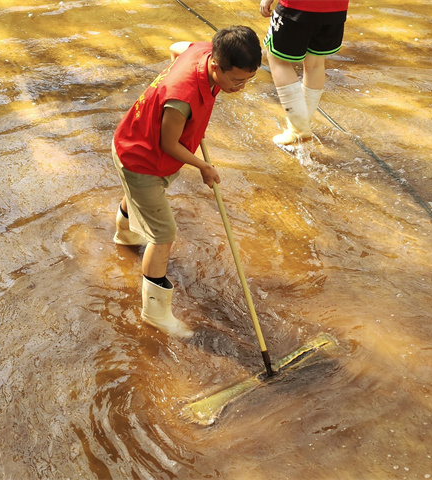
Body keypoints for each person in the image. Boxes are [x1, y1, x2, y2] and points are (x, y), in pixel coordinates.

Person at [112, 26, 262, 338]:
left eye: (248, 79)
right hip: (141, 159)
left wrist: (196, 121)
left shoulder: (204, 50)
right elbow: (169, 143)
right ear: (216, 66)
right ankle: (155, 312)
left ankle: (124, 239)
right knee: (164, 233)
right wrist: (203, 166)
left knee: (141, 200)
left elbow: (176, 49)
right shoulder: (182, 97)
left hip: (130, 138)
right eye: (236, 80)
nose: (241, 87)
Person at [260, 0, 349, 145]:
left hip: (297, 7)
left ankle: (298, 129)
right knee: (315, 64)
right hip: (335, 9)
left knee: (277, 60)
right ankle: (302, 126)